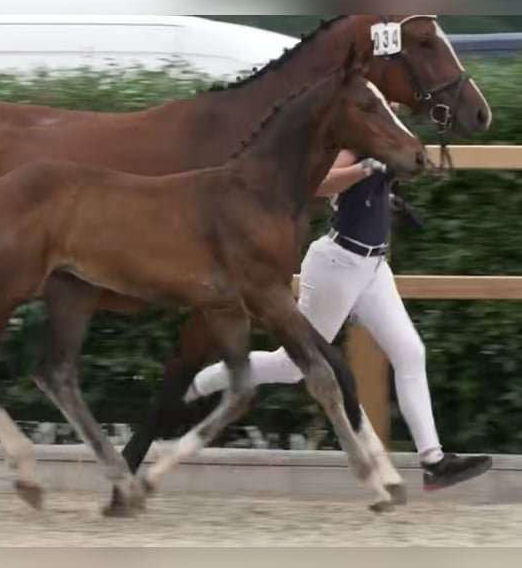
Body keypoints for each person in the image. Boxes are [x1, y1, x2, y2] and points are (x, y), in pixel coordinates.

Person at [183, 102, 492, 492]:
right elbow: (320, 182)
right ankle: (202, 382)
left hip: (373, 268)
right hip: (337, 265)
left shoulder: (389, 141)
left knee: (411, 353)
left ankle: (434, 462)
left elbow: (372, 191)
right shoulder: (358, 144)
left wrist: (390, 203)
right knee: (294, 366)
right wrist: (365, 169)